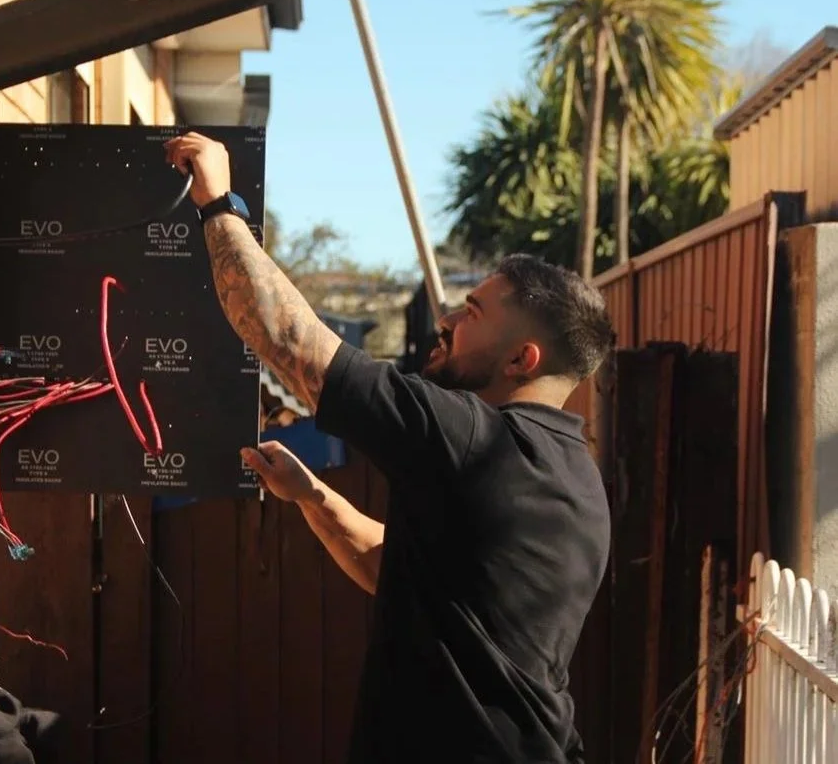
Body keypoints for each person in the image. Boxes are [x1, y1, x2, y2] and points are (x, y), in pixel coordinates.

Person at [164, 132, 616, 764]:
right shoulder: (577, 480)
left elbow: (284, 338)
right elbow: (395, 569)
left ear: (521, 358)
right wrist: (313, 496)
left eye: (472, 313)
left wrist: (218, 204)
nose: (448, 323)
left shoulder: (472, 438)